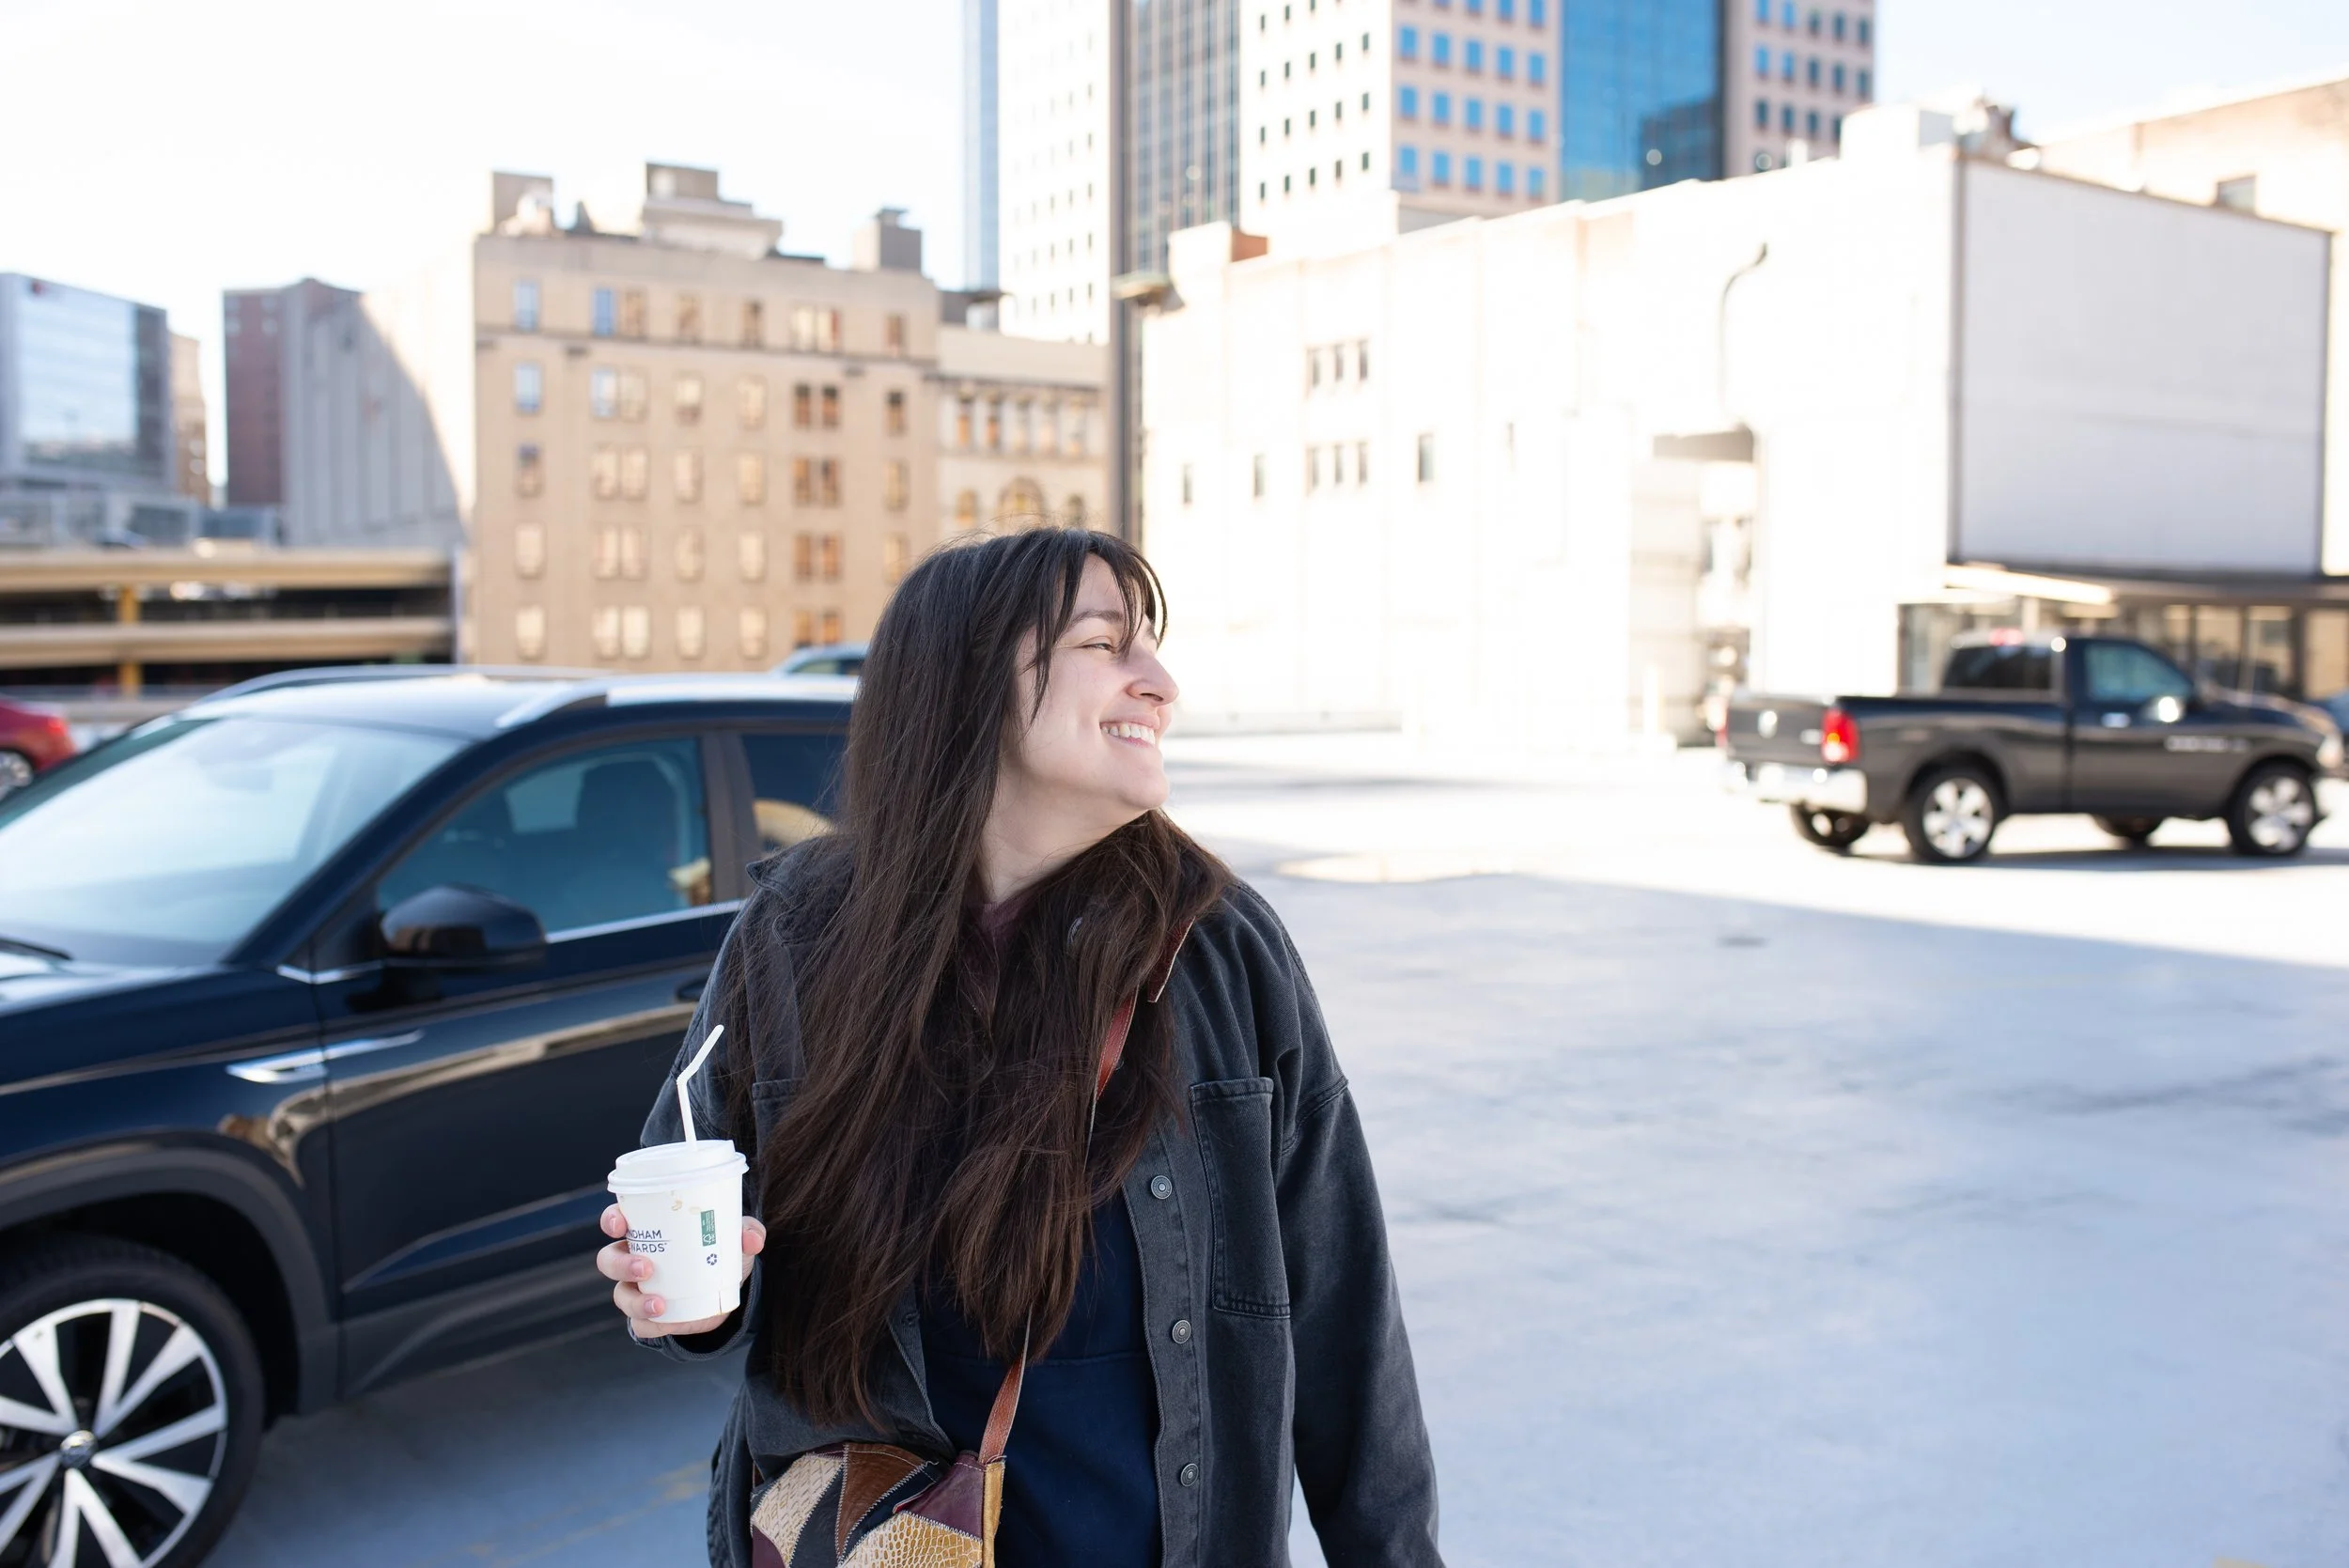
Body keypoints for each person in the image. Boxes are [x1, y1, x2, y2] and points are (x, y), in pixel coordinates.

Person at [598, 527, 1441, 1567]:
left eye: (1151, 647)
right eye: (1105, 643)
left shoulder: (1219, 950)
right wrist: (685, 1299)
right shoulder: (794, 935)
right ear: (968, 684)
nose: (1159, 683)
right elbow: (693, 1216)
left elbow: (1343, 1315)